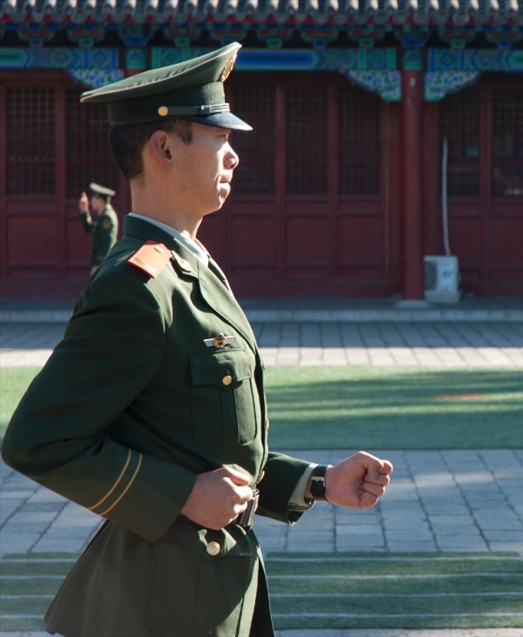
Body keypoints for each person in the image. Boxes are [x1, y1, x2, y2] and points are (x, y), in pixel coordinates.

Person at [1, 43, 393, 637]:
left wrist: (317, 481)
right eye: (219, 137)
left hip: (206, 592)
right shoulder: (137, 287)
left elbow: (198, 442)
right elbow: (37, 440)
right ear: (163, 147)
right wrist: (181, 494)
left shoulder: (192, 271)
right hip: (160, 604)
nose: (233, 155)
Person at [78, 181, 119, 274]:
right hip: (97, 259)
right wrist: (84, 211)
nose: (91, 201)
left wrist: (98, 264)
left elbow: (107, 244)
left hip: (102, 262)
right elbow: (90, 228)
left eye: (93, 198)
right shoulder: (102, 215)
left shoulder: (106, 217)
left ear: (100, 199)